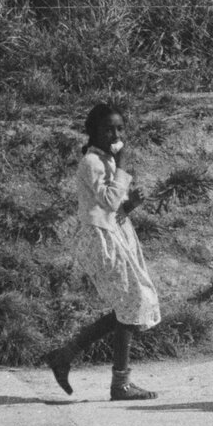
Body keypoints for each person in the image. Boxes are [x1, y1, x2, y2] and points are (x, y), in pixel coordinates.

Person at [41, 103, 160, 402]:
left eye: (120, 129)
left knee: (129, 304)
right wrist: (123, 166)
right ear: (93, 132)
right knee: (131, 302)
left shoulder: (105, 161)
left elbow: (113, 208)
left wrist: (131, 205)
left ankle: (66, 355)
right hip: (101, 240)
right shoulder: (92, 162)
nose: (116, 135)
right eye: (108, 129)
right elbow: (107, 200)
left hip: (114, 233)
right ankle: (119, 382)